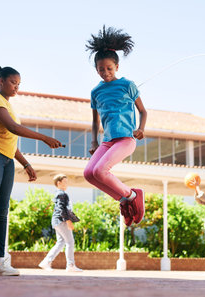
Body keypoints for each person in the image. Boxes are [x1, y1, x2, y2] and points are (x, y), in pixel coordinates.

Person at [0, 66, 63, 276]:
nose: (16, 87)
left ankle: (0, 262)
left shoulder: (9, 107)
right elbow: (13, 128)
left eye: (19, 84)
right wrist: (44, 137)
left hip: (5, 158)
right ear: (1, 81)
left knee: (2, 211)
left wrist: (26, 164)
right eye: (13, 82)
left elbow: (10, 141)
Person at [83, 26, 148, 227]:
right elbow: (95, 121)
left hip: (126, 139)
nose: (105, 73)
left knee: (101, 171)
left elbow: (143, 111)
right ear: (96, 70)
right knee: (89, 173)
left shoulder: (128, 85)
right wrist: (94, 141)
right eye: (101, 69)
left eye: (109, 68)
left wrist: (140, 128)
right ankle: (124, 200)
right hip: (107, 141)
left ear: (117, 67)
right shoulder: (96, 91)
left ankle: (132, 195)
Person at [38, 174, 82, 272]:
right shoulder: (62, 194)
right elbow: (62, 209)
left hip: (57, 221)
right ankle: (70, 265)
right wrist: (68, 221)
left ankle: (46, 262)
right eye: (64, 182)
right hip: (61, 221)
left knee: (61, 242)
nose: (67, 184)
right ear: (59, 183)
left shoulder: (58, 193)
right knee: (70, 242)